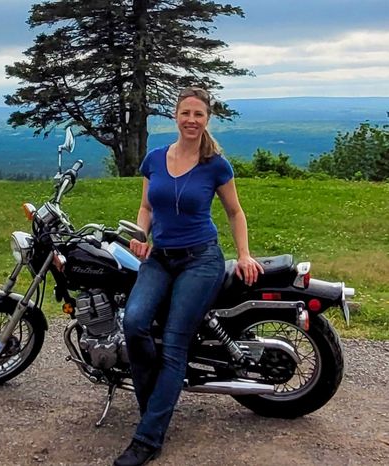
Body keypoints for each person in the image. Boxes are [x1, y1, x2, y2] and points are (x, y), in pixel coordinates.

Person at [113, 87, 264, 466]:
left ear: (207, 119)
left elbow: (235, 212)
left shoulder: (216, 165)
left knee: (175, 343)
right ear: (175, 116)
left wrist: (244, 254)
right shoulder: (154, 159)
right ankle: (154, 409)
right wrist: (140, 236)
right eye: (186, 113)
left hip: (201, 260)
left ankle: (148, 438)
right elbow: (147, 207)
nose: (191, 120)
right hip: (160, 259)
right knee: (134, 323)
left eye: (198, 114)